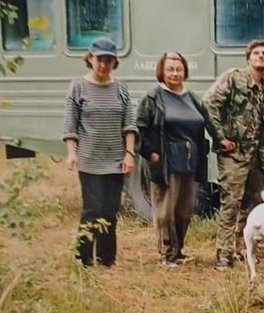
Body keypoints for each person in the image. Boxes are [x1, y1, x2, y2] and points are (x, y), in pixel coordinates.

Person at [203, 39, 264, 270]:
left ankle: (240, 248)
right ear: (249, 58)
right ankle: (224, 255)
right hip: (234, 156)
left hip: (258, 159)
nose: (261, 56)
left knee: (253, 205)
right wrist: (220, 138)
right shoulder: (234, 78)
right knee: (231, 204)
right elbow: (209, 104)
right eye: (256, 53)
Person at [62, 38, 137, 268]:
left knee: (110, 211)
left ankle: (107, 261)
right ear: (90, 59)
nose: (103, 65)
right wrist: (72, 153)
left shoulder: (121, 88)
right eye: (99, 59)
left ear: (114, 62)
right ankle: (83, 260)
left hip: (115, 160)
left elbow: (129, 124)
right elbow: (70, 125)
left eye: (108, 60)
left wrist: (129, 154)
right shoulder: (78, 86)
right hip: (90, 160)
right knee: (92, 211)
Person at [136, 51, 210, 268]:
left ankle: (179, 251)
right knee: (165, 210)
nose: (175, 73)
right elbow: (140, 128)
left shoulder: (192, 97)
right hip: (165, 161)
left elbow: (207, 121)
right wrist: (150, 152)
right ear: (162, 71)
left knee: (184, 209)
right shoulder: (153, 98)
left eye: (179, 69)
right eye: (170, 69)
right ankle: (168, 253)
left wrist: (222, 139)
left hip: (189, 160)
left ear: (185, 71)